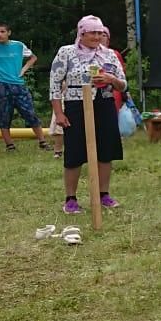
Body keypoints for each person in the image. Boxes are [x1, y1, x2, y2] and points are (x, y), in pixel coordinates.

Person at [49, 16, 126, 213]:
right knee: (74, 152)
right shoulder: (66, 52)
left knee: (105, 151)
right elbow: (54, 84)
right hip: (76, 104)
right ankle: (70, 199)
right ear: (81, 33)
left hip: (104, 103)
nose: (96, 37)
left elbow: (123, 84)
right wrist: (58, 112)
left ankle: (103, 194)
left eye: (100, 33)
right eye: (92, 33)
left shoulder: (109, 54)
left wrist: (110, 78)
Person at [0, 22, 49, 152]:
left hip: (18, 84)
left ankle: (42, 141)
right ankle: (10, 145)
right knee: (4, 115)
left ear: (8, 33)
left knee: (30, 113)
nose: (0, 35)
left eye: (2, 31)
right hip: (1, 85)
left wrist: (23, 70)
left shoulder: (18, 46)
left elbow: (33, 58)